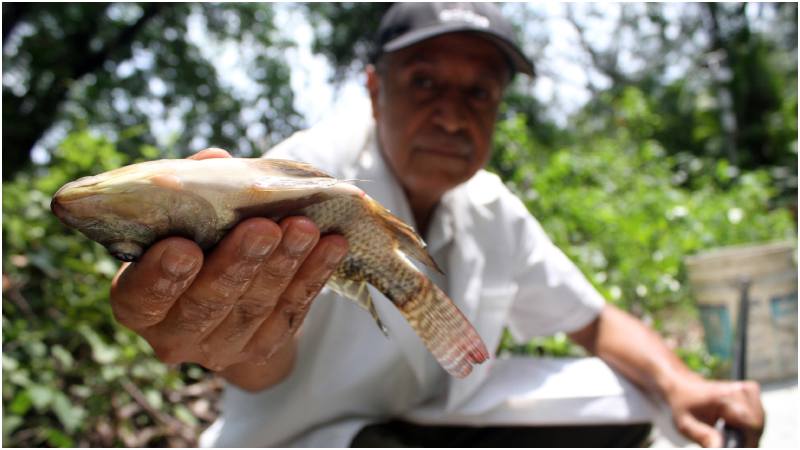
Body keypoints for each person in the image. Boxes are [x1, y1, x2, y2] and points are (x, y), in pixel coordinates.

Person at [110, 3, 765, 447]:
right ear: (373, 89)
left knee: (637, 394)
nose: (453, 117)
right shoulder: (302, 176)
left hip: (433, 419)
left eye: (478, 93)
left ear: (499, 107)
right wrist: (238, 340)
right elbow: (257, 363)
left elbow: (591, 320)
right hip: (305, 436)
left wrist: (684, 383)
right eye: (425, 83)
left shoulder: (489, 202)